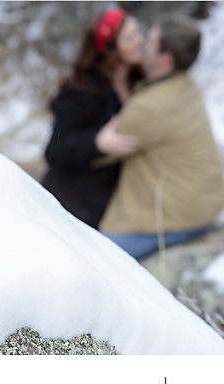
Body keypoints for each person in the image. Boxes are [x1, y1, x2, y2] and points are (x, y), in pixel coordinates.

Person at [98, 14, 224, 260]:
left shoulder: (150, 107)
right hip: (204, 207)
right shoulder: (186, 86)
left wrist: (99, 141)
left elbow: (99, 155)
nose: (142, 44)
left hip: (175, 219)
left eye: (150, 42)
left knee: (97, 258)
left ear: (165, 58)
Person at [40, 8, 145, 229]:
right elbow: (55, 150)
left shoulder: (139, 81)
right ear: (109, 49)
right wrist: (97, 142)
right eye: (129, 38)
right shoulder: (82, 90)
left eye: (137, 33)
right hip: (69, 205)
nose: (139, 41)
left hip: (106, 203)